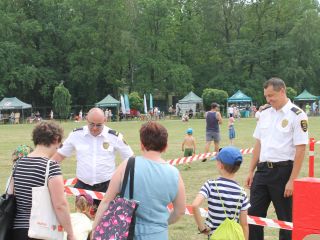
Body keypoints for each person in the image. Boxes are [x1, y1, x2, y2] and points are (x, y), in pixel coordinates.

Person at [93, 121, 186, 240]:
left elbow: (106, 201)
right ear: (165, 146)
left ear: (142, 144)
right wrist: (161, 222)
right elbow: (180, 211)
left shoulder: (127, 165)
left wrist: (95, 229)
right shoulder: (175, 174)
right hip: (158, 234)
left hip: (126, 233)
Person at [245, 77, 308, 240]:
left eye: (271, 95)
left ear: (282, 91)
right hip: (262, 171)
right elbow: (258, 143)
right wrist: (251, 170)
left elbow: (301, 149)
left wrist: (292, 180)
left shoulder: (298, 115)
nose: (268, 99)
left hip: (283, 173)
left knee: (286, 219)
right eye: (266, 96)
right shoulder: (264, 114)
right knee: (253, 217)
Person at [51, 107, 134, 208]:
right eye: (91, 124)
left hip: (107, 187)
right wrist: (46, 171)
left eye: (99, 125)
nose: (94, 128)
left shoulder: (114, 136)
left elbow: (130, 159)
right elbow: (59, 155)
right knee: (83, 220)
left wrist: (121, 178)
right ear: (86, 120)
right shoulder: (76, 134)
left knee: (105, 221)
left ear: (105, 120)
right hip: (83, 186)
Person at [10, 122, 75, 240]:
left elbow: (11, 195)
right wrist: (70, 233)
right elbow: (60, 205)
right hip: (42, 229)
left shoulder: (18, 164)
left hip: (17, 229)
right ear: (56, 139)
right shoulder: (51, 166)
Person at [192, 147, 250, 239]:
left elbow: (195, 205)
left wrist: (202, 228)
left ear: (220, 165)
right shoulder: (242, 193)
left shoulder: (210, 185)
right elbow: (244, 225)